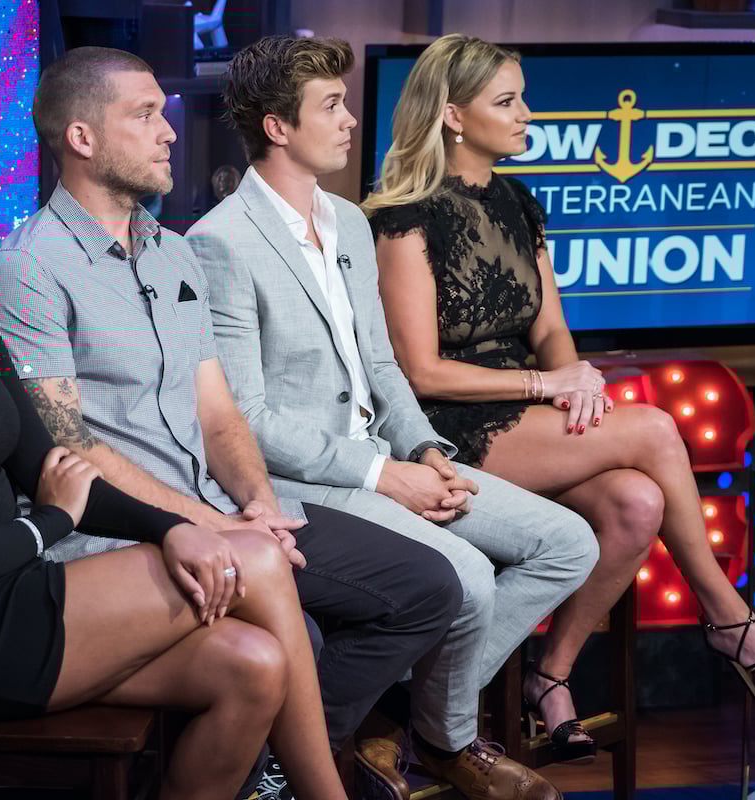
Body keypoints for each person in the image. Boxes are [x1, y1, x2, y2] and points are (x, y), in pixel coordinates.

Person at [0, 80, 351, 800]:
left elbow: (49, 465)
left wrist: (173, 528)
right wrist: (50, 522)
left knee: (253, 666)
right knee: (256, 558)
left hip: (21, 588)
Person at [0, 47, 463, 799]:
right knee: (295, 635)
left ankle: (274, 773)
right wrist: (214, 523)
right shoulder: (26, 268)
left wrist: (259, 506)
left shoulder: (174, 254)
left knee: (428, 585)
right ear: (82, 138)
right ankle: (281, 780)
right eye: (144, 115)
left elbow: (219, 411)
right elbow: (71, 448)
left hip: (222, 510)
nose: (169, 130)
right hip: (117, 536)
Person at [364, 33, 755, 763]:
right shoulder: (404, 217)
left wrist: (574, 385)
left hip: (525, 412)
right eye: (507, 102)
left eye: (522, 99)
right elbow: (419, 371)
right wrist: (548, 384)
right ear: (452, 115)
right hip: (443, 427)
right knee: (654, 429)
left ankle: (549, 675)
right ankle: (730, 619)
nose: (527, 115)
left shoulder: (518, 201)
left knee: (637, 503)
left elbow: (549, 328)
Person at [186, 34, 597, 800]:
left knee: (568, 542)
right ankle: (429, 741)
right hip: (306, 482)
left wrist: (427, 452)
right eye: (331, 106)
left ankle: (416, 725)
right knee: (467, 579)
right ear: (278, 127)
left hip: (388, 456)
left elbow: (381, 366)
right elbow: (248, 420)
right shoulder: (220, 242)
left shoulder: (347, 220)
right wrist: (384, 475)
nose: (350, 120)